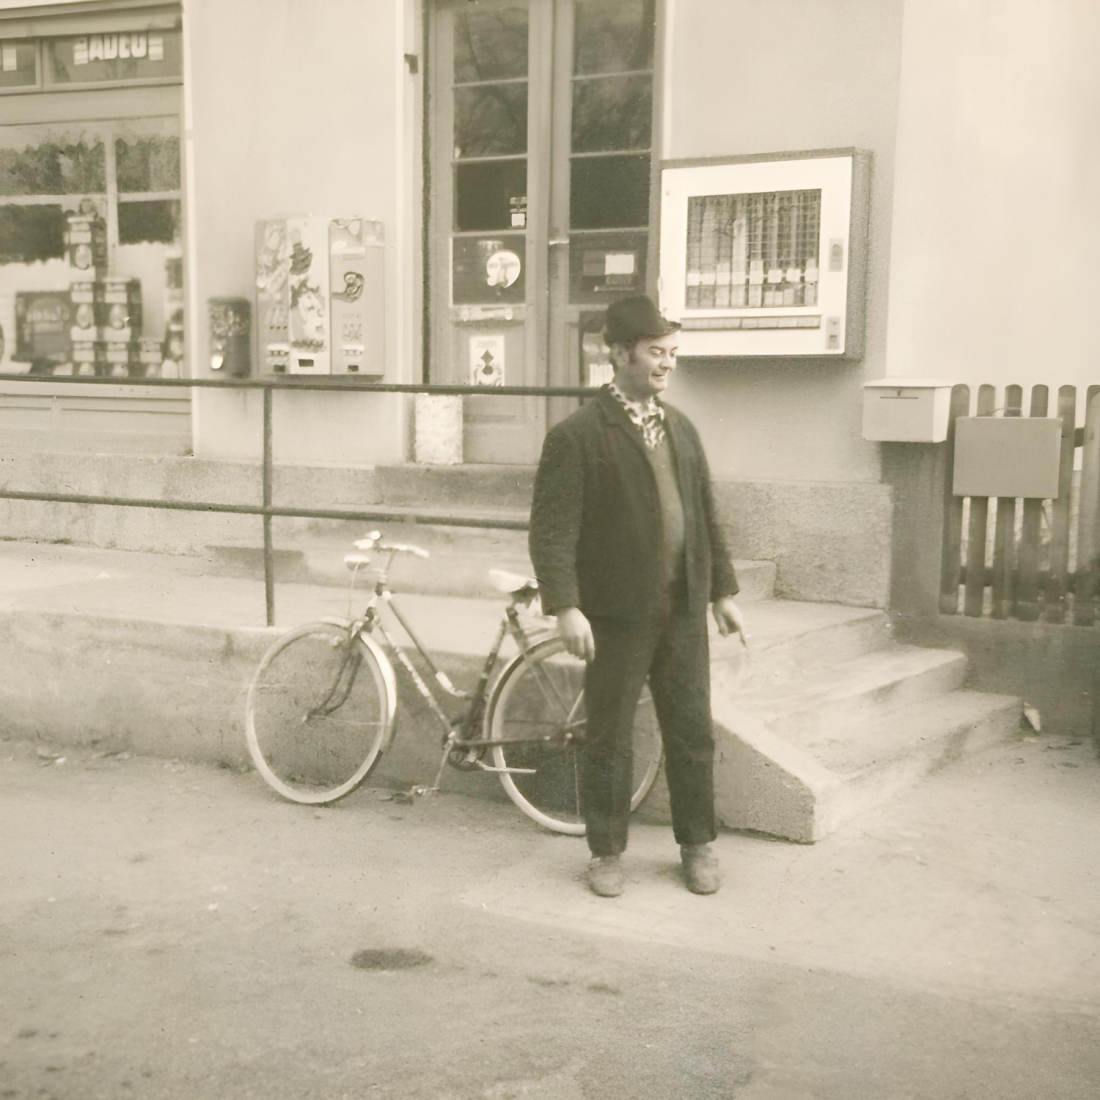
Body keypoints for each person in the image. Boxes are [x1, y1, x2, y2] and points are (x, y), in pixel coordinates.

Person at [528, 295, 746, 898]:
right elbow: (552, 530)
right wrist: (566, 604)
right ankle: (605, 853)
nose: (667, 365)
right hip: (615, 615)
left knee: (691, 731)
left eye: (672, 353)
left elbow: (704, 515)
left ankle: (696, 846)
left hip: (680, 609)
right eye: (657, 352)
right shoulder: (576, 436)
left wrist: (722, 592)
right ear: (620, 354)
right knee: (609, 736)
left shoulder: (682, 430)